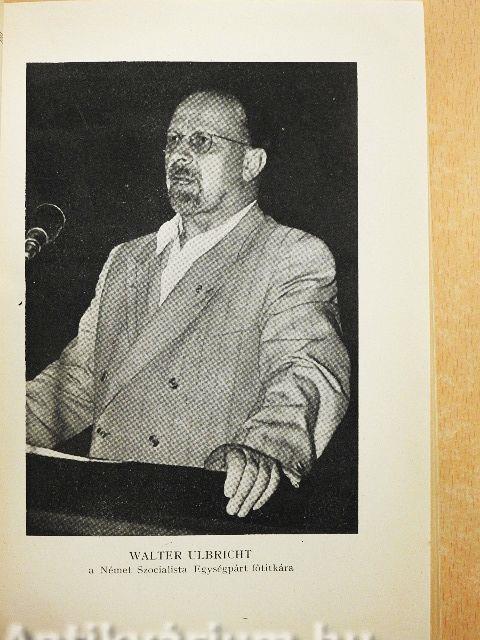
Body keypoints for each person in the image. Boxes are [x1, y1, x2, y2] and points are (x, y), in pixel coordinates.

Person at [26, 89, 350, 518]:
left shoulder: (288, 254)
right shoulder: (126, 259)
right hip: (100, 507)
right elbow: (78, 379)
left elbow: (306, 371)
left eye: (202, 141)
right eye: (173, 140)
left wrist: (265, 449)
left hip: (198, 510)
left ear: (251, 163)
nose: (179, 155)